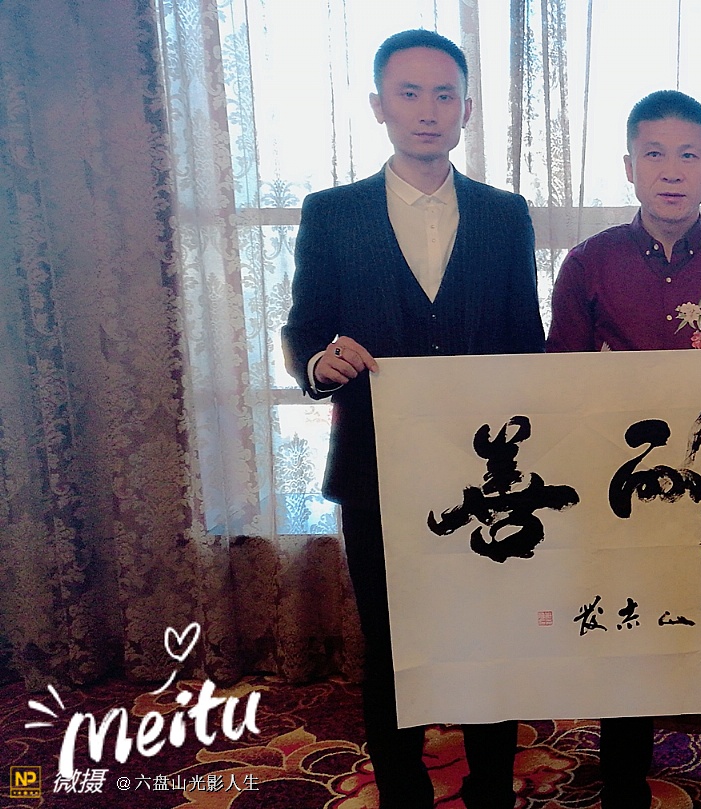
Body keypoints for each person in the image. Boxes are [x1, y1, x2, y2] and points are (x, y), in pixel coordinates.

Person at [281, 29, 544, 809]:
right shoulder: (332, 213)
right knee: (392, 643)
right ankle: (402, 792)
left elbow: (523, 339)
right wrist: (318, 362)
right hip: (376, 468)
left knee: (489, 639)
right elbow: (305, 327)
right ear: (379, 105)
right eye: (408, 93)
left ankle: (492, 789)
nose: (427, 111)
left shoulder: (505, 214)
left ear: (466, 109)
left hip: (488, 472)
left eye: (443, 95)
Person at [547, 90, 701, 809]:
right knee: (627, 646)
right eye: (654, 154)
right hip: (619, 493)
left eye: (688, 155)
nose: (671, 171)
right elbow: (560, 386)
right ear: (629, 166)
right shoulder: (587, 265)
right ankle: (624, 786)